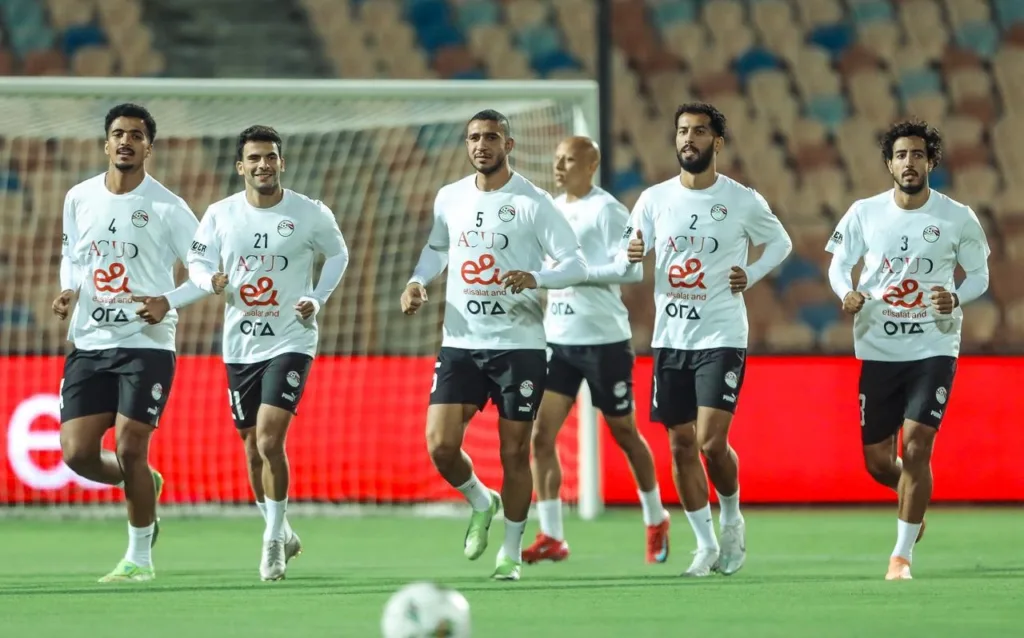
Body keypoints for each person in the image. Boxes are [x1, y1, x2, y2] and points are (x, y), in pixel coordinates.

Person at [400, 110, 587, 581]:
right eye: (473, 138)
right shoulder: (450, 197)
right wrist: (418, 280)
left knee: (514, 452)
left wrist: (536, 278)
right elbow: (437, 249)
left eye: (490, 137)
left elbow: (576, 264)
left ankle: (510, 551)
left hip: (518, 347)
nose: (481, 145)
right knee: (441, 445)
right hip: (461, 343)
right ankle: (482, 501)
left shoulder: (533, 202)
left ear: (509, 144)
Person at [624, 102, 792, 577]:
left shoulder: (741, 199)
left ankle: (732, 517)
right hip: (671, 337)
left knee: (711, 441)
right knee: (680, 443)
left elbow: (780, 242)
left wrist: (750, 273)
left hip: (721, 334)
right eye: (682, 131)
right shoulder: (654, 198)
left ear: (716, 142)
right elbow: (630, 251)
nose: (688, 139)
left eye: (698, 131)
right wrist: (631, 250)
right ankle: (704, 545)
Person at [825, 119, 990, 581]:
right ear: (889, 164)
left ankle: (900, 557)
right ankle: (913, 502)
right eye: (901, 155)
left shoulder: (957, 216)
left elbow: (979, 275)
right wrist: (846, 292)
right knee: (878, 461)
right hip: (879, 347)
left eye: (918, 154)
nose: (909, 162)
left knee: (917, 446)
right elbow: (839, 264)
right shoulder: (864, 212)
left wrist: (955, 296)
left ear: (931, 161)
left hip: (933, 345)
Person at [54, 102, 208, 582]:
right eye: (119, 133)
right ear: (106, 143)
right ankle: (146, 482)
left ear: (148, 148)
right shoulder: (79, 196)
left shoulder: (168, 207)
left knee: (129, 446)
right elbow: (72, 255)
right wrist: (69, 289)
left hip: (147, 343)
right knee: (77, 453)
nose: (126, 141)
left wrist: (168, 300)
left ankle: (139, 559)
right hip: (89, 341)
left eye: (136, 135)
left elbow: (206, 272)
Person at [187, 125, 349, 581]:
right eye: (254, 158)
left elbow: (338, 255)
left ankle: (272, 540)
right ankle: (283, 529)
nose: (263, 165)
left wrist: (316, 297)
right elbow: (197, 260)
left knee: (269, 440)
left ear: (282, 162)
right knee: (251, 446)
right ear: (241, 166)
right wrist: (208, 280)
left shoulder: (310, 212)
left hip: (292, 338)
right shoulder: (220, 214)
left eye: (270, 157)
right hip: (241, 344)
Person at [525, 135, 669, 565]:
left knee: (624, 433)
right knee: (541, 435)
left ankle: (656, 517)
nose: (559, 166)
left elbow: (631, 270)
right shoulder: (551, 209)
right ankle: (552, 535)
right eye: (557, 159)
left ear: (591, 165)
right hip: (559, 340)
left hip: (604, 341)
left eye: (569, 160)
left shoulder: (607, 210)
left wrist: (577, 273)